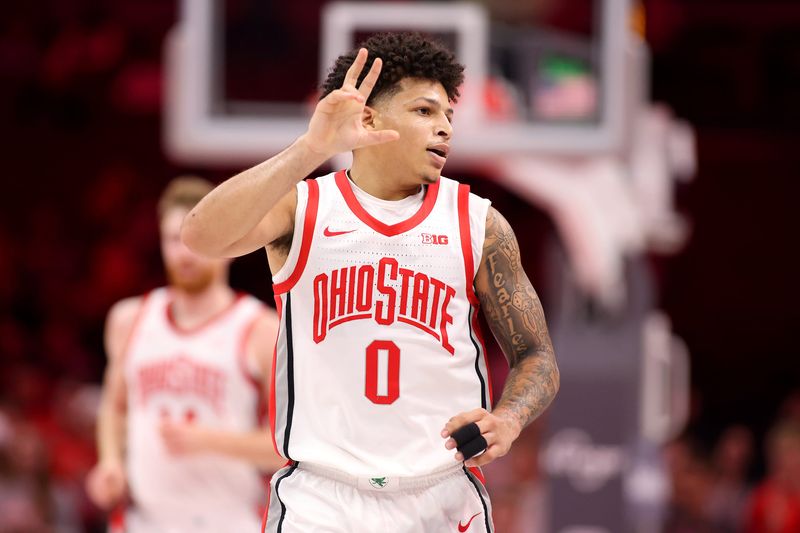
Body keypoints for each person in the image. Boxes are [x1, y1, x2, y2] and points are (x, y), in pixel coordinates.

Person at [181, 32, 560, 532]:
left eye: (448, 115)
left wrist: (508, 419)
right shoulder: (303, 207)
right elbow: (200, 236)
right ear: (369, 118)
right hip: (322, 497)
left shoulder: (478, 223)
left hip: (441, 493)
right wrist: (311, 147)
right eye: (424, 111)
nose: (445, 127)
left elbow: (537, 355)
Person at [85, 177, 285, 532]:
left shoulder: (261, 330)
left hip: (230, 522)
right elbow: (114, 408)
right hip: (142, 522)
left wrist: (210, 441)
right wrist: (111, 462)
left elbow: (286, 447)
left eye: (195, 240)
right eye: (172, 240)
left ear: (229, 242)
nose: (183, 252)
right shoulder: (129, 319)